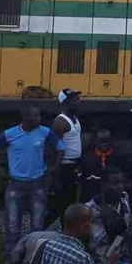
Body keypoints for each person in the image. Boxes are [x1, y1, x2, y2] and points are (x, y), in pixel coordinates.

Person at [0, 105, 64, 260]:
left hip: (37, 184)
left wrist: (54, 167)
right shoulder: (9, 134)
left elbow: (60, 147)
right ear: (26, 118)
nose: (39, 119)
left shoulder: (45, 132)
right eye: (36, 116)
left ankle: (33, 258)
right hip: (15, 185)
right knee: (12, 225)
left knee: (37, 226)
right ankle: (12, 259)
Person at [41, 203, 119, 264]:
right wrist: (108, 263)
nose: (91, 225)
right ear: (82, 225)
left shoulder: (49, 245)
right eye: (89, 221)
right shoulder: (81, 258)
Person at [86, 166, 132, 264]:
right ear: (104, 184)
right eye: (115, 183)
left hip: (121, 263)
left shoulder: (124, 199)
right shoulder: (89, 210)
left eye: (122, 182)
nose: (120, 186)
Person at [53, 89, 84, 221]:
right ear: (65, 103)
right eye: (74, 100)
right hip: (65, 166)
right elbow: (55, 147)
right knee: (65, 200)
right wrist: (56, 170)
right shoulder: (61, 122)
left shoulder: (74, 119)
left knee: (72, 199)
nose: (78, 103)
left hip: (74, 164)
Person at [79, 128, 127, 202]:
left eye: (106, 141)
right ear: (96, 141)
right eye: (101, 141)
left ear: (111, 141)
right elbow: (81, 180)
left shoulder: (118, 156)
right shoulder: (87, 157)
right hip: (91, 195)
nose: (104, 144)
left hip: (113, 196)